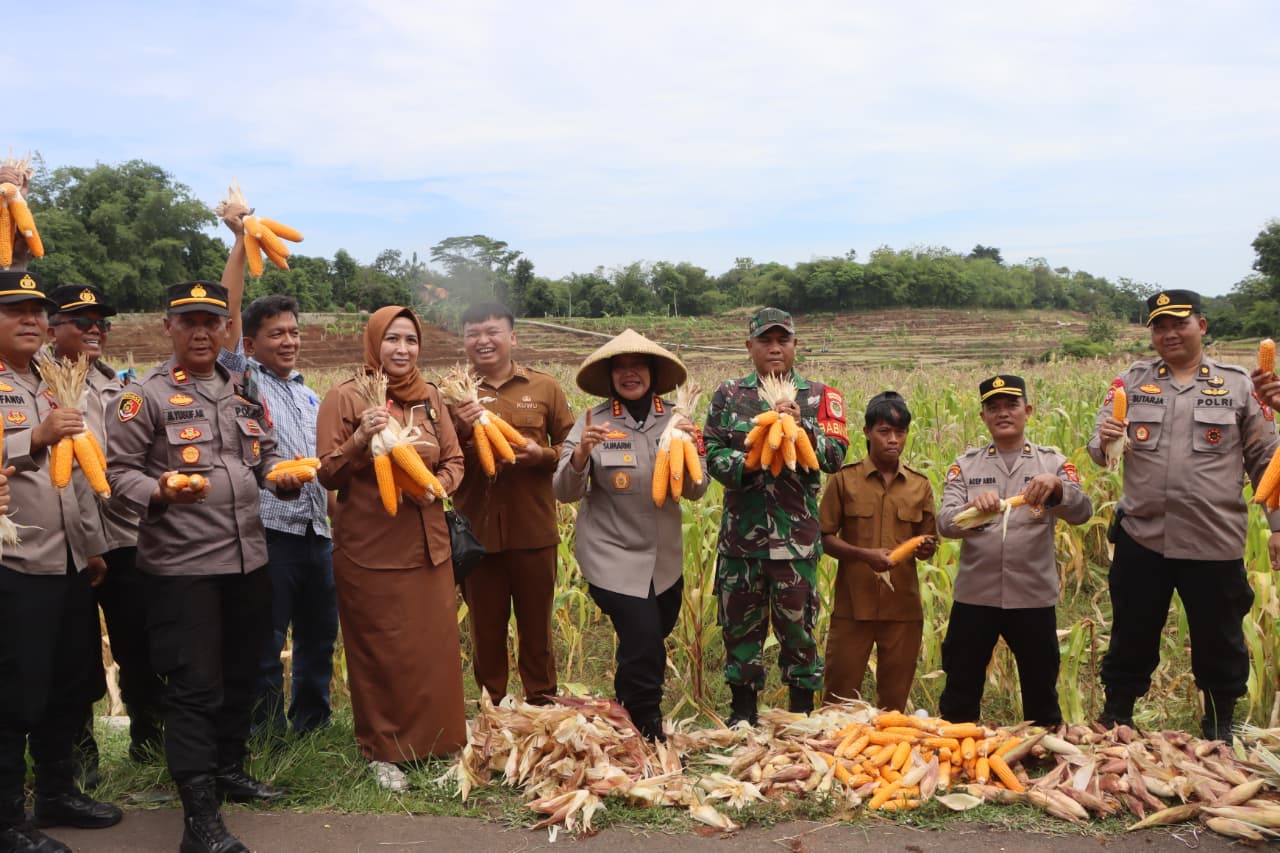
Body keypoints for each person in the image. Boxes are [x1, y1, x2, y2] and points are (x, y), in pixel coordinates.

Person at [107, 279, 301, 853]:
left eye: (211, 323)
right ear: (168, 327)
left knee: (243, 672)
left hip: (248, 559)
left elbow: (263, 455)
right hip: (182, 569)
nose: (200, 332)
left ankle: (229, 770)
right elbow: (118, 475)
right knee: (194, 688)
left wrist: (281, 479)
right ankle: (199, 818)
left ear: (224, 330)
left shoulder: (242, 390)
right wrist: (161, 491)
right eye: (188, 321)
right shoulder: (144, 396)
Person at [1090, 290, 1279, 739]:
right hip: (1142, 535)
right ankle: (1118, 716)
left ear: (1202, 326)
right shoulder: (1129, 382)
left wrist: (1278, 526)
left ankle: (1218, 725)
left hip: (1212, 538)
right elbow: (1099, 453)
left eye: (1179, 323)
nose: (1169, 333)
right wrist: (1106, 438)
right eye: (1159, 326)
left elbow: (1267, 461)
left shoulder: (1239, 385)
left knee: (1220, 638)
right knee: (1132, 632)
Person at [315, 306, 466, 793]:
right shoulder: (345, 398)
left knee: (434, 648)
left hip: (428, 545)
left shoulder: (432, 400)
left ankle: (441, 742)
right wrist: (361, 438)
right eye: (392, 340)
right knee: (380, 649)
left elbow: (456, 458)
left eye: (411, 340)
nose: (402, 350)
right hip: (370, 547)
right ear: (374, 343)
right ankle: (384, 750)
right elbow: (327, 472)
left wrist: (437, 485)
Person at [0, 270, 122, 853]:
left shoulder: (52, 381)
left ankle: (57, 792)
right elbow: (35, 449)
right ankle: (6, 819)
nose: (31, 319)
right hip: (14, 564)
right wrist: (33, 439)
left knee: (68, 686)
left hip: (69, 561)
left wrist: (91, 545)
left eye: (37, 311)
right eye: (14, 310)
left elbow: (73, 477)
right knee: (13, 694)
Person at [553, 330, 707, 741]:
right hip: (613, 555)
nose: (628, 374)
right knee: (644, 643)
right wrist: (582, 454)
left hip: (664, 559)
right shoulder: (592, 422)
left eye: (637, 366)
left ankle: (622, 715)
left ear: (653, 373)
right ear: (609, 377)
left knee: (650, 637)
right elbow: (564, 492)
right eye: (619, 367)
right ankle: (647, 728)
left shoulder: (677, 420)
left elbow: (695, 491)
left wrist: (693, 450)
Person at [703, 307, 849, 725]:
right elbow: (711, 454)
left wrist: (804, 432)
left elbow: (836, 457)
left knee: (799, 629)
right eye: (765, 341)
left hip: (796, 541)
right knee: (740, 629)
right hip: (741, 541)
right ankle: (743, 711)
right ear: (749, 346)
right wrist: (750, 460)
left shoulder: (821, 396)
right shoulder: (729, 395)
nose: (774, 348)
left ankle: (801, 712)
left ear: (794, 345)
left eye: (782, 340)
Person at [47, 283, 166, 787]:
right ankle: (79, 759)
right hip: (67, 544)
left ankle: (149, 742)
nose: (95, 329)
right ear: (53, 329)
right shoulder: (36, 384)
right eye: (82, 321)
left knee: (139, 647)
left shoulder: (119, 385)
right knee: (71, 658)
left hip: (123, 538)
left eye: (101, 322)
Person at [219, 235, 338, 736]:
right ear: (251, 344)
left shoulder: (310, 396)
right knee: (268, 642)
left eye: (293, 332)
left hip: (317, 533)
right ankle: (265, 735)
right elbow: (228, 315)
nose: (288, 340)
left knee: (319, 637)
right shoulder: (243, 379)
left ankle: (311, 725)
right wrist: (240, 242)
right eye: (275, 334)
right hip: (272, 532)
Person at [937, 375, 1091, 726]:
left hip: (1032, 596)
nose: (1002, 413)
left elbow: (1083, 512)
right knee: (961, 684)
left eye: (1011, 405)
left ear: (1028, 411)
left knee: (1040, 686)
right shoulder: (965, 465)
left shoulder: (1052, 463)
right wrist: (972, 512)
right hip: (976, 595)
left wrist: (1057, 490)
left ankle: (1042, 749)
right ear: (983, 417)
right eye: (993, 407)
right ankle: (956, 749)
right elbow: (944, 523)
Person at [449, 303, 573, 706]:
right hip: (476, 534)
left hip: (533, 530)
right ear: (464, 341)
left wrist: (543, 456)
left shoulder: (545, 388)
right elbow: (434, 457)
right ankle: (493, 709)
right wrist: (459, 427)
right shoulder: (448, 395)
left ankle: (541, 704)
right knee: (485, 631)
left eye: (492, 331)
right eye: (473, 333)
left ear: (512, 337)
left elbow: (571, 448)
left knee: (536, 630)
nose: (482, 340)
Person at [818, 391, 936, 711]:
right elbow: (824, 537)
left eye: (900, 432)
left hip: (903, 610)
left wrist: (925, 549)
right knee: (839, 702)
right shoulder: (844, 480)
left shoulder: (920, 486)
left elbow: (929, 543)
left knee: (894, 705)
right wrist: (864, 555)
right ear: (867, 433)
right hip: (853, 607)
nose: (893, 440)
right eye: (884, 432)